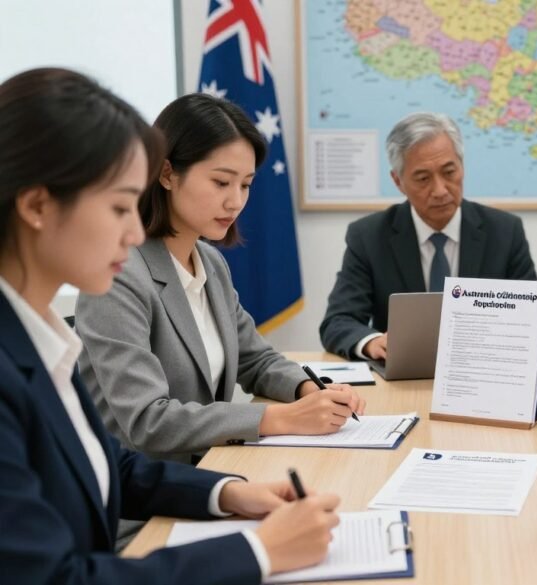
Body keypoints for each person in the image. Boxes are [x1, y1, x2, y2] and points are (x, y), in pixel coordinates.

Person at [0, 67, 340, 584]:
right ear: (37, 206)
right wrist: (258, 554)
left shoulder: (39, 333)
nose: (136, 229)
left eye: (244, 185)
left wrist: (225, 492)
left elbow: (109, 462)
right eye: (119, 206)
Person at [76, 93, 366, 465]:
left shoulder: (210, 263)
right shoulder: (119, 274)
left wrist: (310, 391)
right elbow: (148, 419)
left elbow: (256, 360)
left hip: (208, 470)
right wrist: (279, 418)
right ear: (167, 174)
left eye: (245, 185)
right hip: (139, 503)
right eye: (221, 182)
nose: (235, 202)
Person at [319, 112, 537, 360]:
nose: (440, 190)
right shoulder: (368, 237)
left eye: (449, 172)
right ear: (398, 181)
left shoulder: (505, 232)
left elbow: (529, 319)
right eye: (423, 179)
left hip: (482, 373)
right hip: (404, 377)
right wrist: (372, 342)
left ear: (462, 166)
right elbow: (338, 321)